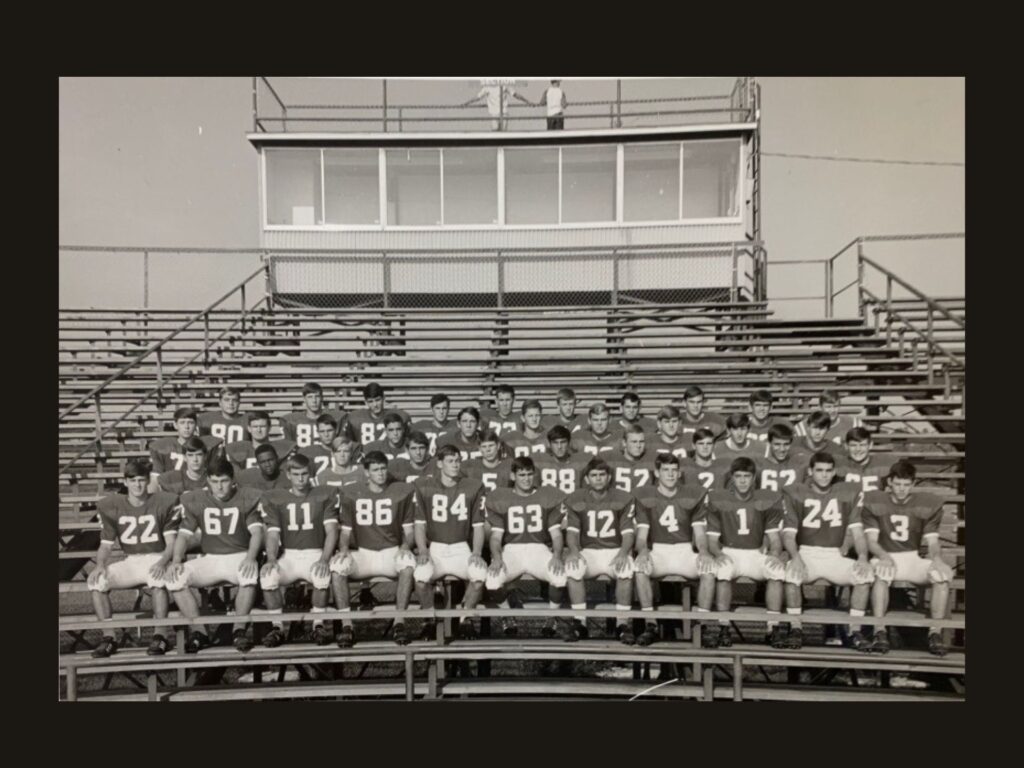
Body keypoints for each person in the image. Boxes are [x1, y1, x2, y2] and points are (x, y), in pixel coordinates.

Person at [166, 457, 265, 653]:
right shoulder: (197, 500)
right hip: (210, 558)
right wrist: (177, 560)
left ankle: (239, 630)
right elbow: (183, 536)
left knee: (249, 575)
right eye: (214, 481)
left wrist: (251, 557)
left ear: (233, 479)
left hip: (239, 555)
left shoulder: (246, 497)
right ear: (207, 481)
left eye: (224, 481)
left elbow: (257, 533)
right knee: (175, 578)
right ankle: (200, 632)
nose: (219, 487)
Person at [781, 452, 875, 650]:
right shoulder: (795, 492)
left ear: (834, 472)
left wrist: (863, 557)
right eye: (819, 470)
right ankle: (795, 628)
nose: (824, 475)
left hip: (834, 554)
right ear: (810, 472)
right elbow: (788, 535)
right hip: (807, 552)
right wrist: (795, 557)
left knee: (864, 576)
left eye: (828, 471)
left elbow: (858, 534)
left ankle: (854, 630)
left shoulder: (847, 493)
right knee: (790, 573)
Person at [87, 459, 181, 658]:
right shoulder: (111, 505)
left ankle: (160, 635)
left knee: (157, 580)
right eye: (133, 480)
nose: (137, 485)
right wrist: (100, 565)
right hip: (131, 560)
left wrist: (163, 562)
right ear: (126, 482)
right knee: (97, 582)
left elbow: (172, 543)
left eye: (141, 480)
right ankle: (108, 637)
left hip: (156, 556)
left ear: (148, 481)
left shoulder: (164, 501)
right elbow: (106, 545)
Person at [862, 460, 953, 656]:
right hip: (885, 555)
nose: (902, 489)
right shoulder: (875, 502)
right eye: (898, 484)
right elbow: (871, 541)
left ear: (912, 485)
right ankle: (880, 630)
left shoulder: (926, 504)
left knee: (941, 576)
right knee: (881, 574)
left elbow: (933, 542)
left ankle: (935, 632)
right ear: (890, 483)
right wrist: (884, 557)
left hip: (911, 557)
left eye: (906, 484)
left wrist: (937, 559)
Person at [330, 451, 419, 647]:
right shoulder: (352, 493)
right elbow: (345, 531)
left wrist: (405, 546)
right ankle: (347, 625)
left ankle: (399, 622)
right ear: (366, 472)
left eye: (383, 468)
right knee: (337, 568)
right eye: (376, 469)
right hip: (363, 552)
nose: (381, 473)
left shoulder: (401, 491)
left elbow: (410, 531)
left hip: (391, 551)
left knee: (408, 564)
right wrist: (343, 548)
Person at [259, 454, 341, 646]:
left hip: (315, 553)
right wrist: (271, 558)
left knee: (321, 575)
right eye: (296, 474)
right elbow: (272, 534)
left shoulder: (323, 495)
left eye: (304, 474)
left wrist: (324, 559)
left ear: (310, 474)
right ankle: (277, 627)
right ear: (288, 475)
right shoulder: (278, 498)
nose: (301, 478)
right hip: (290, 555)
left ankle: (318, 625)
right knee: (268, 576)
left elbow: (331, 531)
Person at [705, 458, 787, 648]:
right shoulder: (720, 500)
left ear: (754, 478)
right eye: (738, 476)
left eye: (747, 476)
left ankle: (772, 628)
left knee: (777, 571)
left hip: (754, 553)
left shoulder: (765, 500)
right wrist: (718, 554)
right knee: (723, 571)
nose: (742, 481)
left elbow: (774, 538)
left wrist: (774, 554)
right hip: (730, 551)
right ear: (732, 478)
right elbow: (711, 541)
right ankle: (724, 627)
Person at [632, 453, 713, 646]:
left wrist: (703, 551)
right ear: (657, 473)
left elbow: (700, 533)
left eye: (674, 470)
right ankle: (650, 624)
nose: (670, 475)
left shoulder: (692, 495)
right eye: (666, 470)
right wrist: (643, 551)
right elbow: (641, 537)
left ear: (679, 473)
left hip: (684, 550)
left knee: (709, 569)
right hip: (659, 550)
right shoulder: (646, 497)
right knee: (640, 569)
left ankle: (702, 625)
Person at [484, 456, 568, 639]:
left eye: (530, 474)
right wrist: (497, 557)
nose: (527, 479)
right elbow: (496, 537)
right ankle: (508, 616)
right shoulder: (502, 497)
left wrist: (557, 555)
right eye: (522, 475)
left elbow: (556, 534)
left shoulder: (546, 496)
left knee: (560, 577)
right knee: (491, 581)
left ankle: (551, 618)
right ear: (513, 476)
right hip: (512, 549)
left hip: (538, 548)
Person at [412, 446, 488, 640]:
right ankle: (429, 618)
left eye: (457, 461)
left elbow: (478, 526)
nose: (455, 465)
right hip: (435, 548)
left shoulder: (472, 487)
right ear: (439, 464)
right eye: (450, 461)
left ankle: (465, 617)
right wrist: (422, 550)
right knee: (420, 576)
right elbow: (419, 525)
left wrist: (477, 552)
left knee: (479, 575)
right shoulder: (425, 487)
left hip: (461, 547)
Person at [563, 458, 638, 644]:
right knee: (573, 567)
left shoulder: (622, 498)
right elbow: (572, 533)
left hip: (614, 551)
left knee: (626, 568)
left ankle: (622, 623)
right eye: (594, 475)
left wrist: (623, 553)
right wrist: (573, 550)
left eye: (602, 475)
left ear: (609, 477)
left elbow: (628, 533)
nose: (598, 479)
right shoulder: (576, 499)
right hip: (589, 551)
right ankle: (580, 622)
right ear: (587, 479)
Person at [148, 407, 221, 487]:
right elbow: (155, 479)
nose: (187, 427)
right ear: (175, 425)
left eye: (190, 423)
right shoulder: (163, 447)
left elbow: (215, 476)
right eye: (182, 423)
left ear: (196, 425)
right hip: (172, 489)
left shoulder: (207, 445)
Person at [279, 382, 347, 449]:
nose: (314, 400)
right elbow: (288, 448)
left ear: (322, 398)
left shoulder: (336, 418)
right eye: (310, 397)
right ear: (304, 399)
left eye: (317, 396)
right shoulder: (292, 421)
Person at [224, 410, 295, 472]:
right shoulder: (237, 449)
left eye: (263, 426)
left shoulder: (281, 449)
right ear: (249, 428)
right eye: (255, 427)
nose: (259, 430)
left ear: (269, 428)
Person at [795, 390, 865, 445]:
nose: (832, 410)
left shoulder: (853, 424)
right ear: (820, 407)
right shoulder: (805, 426)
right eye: (828, 407)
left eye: (835, 406)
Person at [534, 425, 590, 494]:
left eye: (563, 442)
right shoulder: (540, 462)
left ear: (569, 443)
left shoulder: (580, 462)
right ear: (549, 444)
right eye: (555, 443)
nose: (559, 447)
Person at [835, 427, 894, 492]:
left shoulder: (884, 464)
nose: (858, 449)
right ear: (846, 446)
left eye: (862, 445)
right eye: (853, 445)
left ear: (870, 445)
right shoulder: (839, 464)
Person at [757, 423, 807, 492]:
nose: (782, 449)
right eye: (777, 444)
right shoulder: (759, 466)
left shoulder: (799, 465)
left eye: (786, 444)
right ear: (769, 443)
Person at [608, 424, 658, 493]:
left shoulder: (652, 461)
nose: (638, 445)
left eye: (641, 442)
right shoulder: (612, 462)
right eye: (634, 442)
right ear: (624, 443)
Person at [463, 83, 531, 131]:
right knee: (494, 132)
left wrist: (527, 101)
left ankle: (502, 149)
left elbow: (515, 94)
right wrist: (466, 103)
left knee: (503, 133)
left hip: (504, 113)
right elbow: (477, 97)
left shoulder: (504, 85)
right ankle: (497, 149)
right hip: (494, 113)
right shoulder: (487, 87)